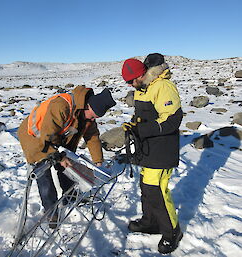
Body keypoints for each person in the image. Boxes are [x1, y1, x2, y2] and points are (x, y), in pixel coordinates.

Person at [17, 85, 116, 227]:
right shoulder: (62, 105)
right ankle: (51, 212)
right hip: (34, 136)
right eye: (93, 116)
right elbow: (48, 135)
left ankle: (70, 197)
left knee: (68, 164)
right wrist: (59, 157)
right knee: (44, 172)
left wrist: (98, 162)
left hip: (55, 136)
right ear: (87, 107)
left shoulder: (86, 116)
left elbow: (92, 137)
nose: (93, 120)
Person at [121, 53, 183, 254]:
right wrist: (132, 126)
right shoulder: (143, 88)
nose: (130, 85)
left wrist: (143, 130)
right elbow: (142, 116)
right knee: (146, 188)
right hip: (147, 148)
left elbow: (173, 119)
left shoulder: (163, 87)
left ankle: (172, 232)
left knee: (157, 190)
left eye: (131, 81)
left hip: (162, 148)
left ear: (141, 74)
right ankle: (150, 222)